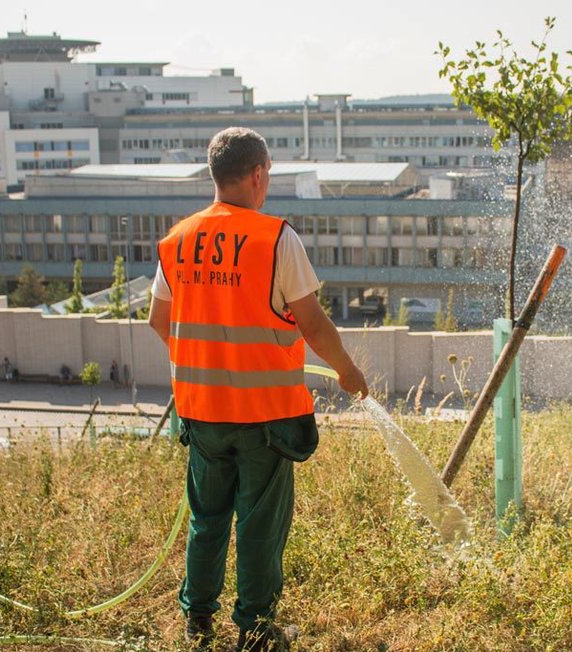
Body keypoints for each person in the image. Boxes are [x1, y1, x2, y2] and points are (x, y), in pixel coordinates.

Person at [148, 127, 367, 651]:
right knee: (260, 525)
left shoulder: (177, 239)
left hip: (201, 414)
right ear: (258, 174)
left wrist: (208, 360)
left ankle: (197, 621)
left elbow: (160, 320)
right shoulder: (275, 238)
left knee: (207, 520)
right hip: (264, 416)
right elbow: (313, 325)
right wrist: (347, 370)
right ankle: (256, 629)